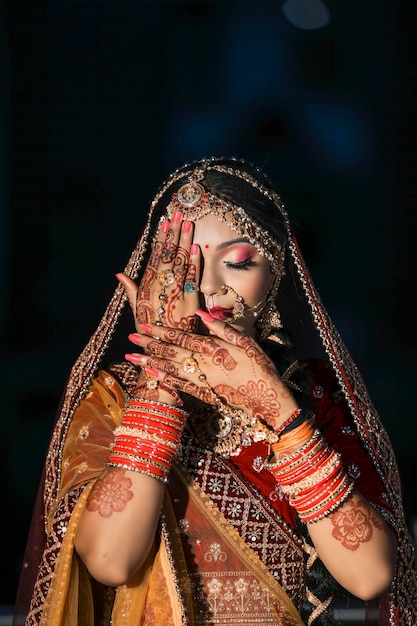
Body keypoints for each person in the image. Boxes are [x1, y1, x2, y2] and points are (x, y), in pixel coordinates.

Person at [14, 158, 417, 626]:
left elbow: (370, 576)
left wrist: (278, 411)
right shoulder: (114, 399)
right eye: (181, 265)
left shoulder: (315, 394)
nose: (206, 287)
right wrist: (161, 380)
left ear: (277, 269)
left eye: (237, 261)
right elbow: (110, 559)